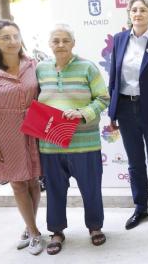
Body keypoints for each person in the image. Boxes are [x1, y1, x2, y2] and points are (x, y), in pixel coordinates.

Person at [36, 24, 110, 254]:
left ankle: (95, 227)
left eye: (65, 40)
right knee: (55, 190)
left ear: (73, 43)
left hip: (84, 142)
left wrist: (82, 114)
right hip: (50, 144)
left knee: (91, 189)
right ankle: (56, 232)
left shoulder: (88, 67)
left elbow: (103, 98)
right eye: (56, 40)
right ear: (49, 44)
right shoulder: (40, 69)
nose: (60, 45)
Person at [0, 20, 44, 255]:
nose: (12, 41)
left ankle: (29, 226)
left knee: (33, 181)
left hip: (33, 128)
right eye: (5, 37)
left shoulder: (32, 64)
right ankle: (35, 233)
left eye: (15, 36)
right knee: (18, 183)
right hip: (5, 133)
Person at [108, 0, 148, 231]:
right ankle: (140, 208)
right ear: (129, 14)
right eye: (134, 10)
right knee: (135, 164)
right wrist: (113, 111)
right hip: (125, 109)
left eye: (143, 10)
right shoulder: (119, 39)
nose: (138, 14)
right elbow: (114, 77)